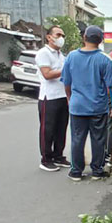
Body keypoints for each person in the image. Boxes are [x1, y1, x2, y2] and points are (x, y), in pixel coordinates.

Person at [61, 26, 112, 182]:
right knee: (98, 139)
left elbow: (66, 83)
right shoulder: (105, 59)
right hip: (97, 107)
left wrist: (70, 99)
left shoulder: (71, 57)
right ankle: (97, 170)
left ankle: (76, 171)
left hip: (77, 106)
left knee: (77, 139)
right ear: (100, 40)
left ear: (84, 37)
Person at [35, 25, 70, 172]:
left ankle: (58, 156)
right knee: (47, 129)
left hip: (62, 96)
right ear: (49, 37)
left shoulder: (62, 55)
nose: (61, 38)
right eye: (58, 34)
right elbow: (47, 74)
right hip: (48, 97)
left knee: (61, 129)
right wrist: (66, 70)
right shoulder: (43, 53)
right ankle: (46, 158)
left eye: (62, 35)